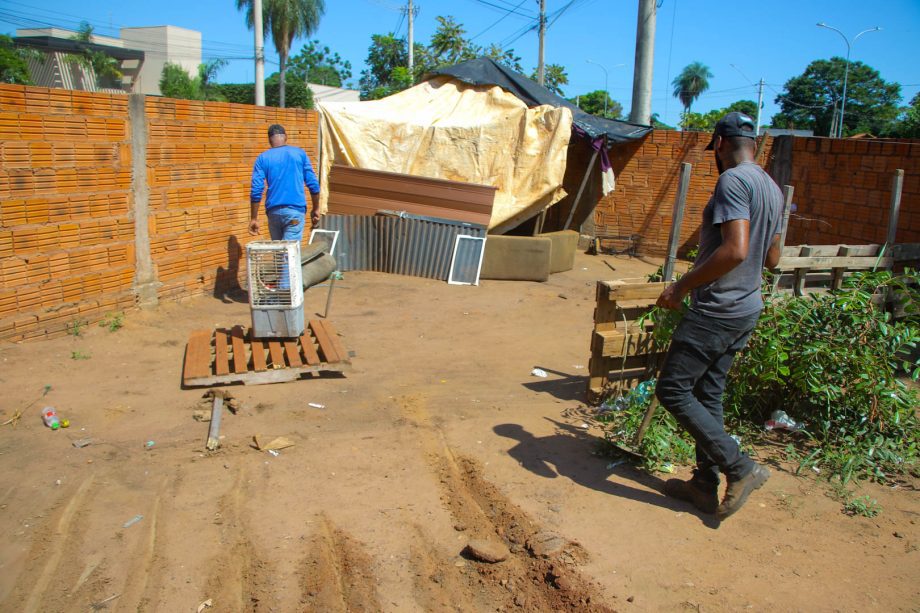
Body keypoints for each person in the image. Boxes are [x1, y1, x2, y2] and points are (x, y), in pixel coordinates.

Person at [654, 112, 783, 521]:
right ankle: (703, 486)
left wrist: (681, 286)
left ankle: (740, 468)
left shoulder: (733, 180)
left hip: (717, 309)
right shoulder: (773, 188)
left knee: (673, 391)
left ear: (721, 144)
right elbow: (773, 257)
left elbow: (736, 250)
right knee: (708, 394)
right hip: (747, 307)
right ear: (755, 143)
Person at [249, 123, 321, 241]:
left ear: (269, 140)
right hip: (294, 213)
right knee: (289, 254)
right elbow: (313, 184)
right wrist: (316, 208)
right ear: (285, 137)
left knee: (279, 254)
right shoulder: (299, 154)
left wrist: (254, 218)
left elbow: (256, 190)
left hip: (274, 214)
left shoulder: (262, 158)